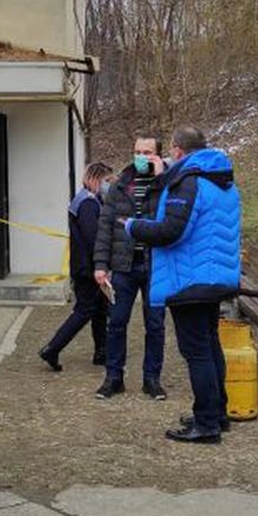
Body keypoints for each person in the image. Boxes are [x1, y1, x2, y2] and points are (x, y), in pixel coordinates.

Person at [126, 126, 240, 444]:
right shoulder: (222, 180)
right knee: (210, 345)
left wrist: (133, 226)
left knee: (197, 352)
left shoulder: (188, 181)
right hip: (215, 276)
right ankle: (217, 413)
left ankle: (206, 424)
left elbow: (170, 231)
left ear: (177, 149)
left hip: (190, 279)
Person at [93, 134, 168, 400]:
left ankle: (152, 379)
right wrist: (100, 265)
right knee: (116, 323)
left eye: (147, 152)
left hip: (155, 265)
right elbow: (105, 227)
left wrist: (160, 179)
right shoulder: (120, 185)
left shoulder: (168, 183)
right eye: (138, 152)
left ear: (158, 155)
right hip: (123, 266)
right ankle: (114, 378)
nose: (141, 157)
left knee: (155, 325)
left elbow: (171, 217)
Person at [37, 162, 114, 372]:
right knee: (84, 310)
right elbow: (93, 238)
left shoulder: (87, 199)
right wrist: (103, 265)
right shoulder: (88, 203)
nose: (109, 185)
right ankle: (52, 348)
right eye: (107, 181)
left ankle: (101, 352)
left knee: (100, 309)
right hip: (88, 268)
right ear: (97, 178)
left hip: (85, 265)